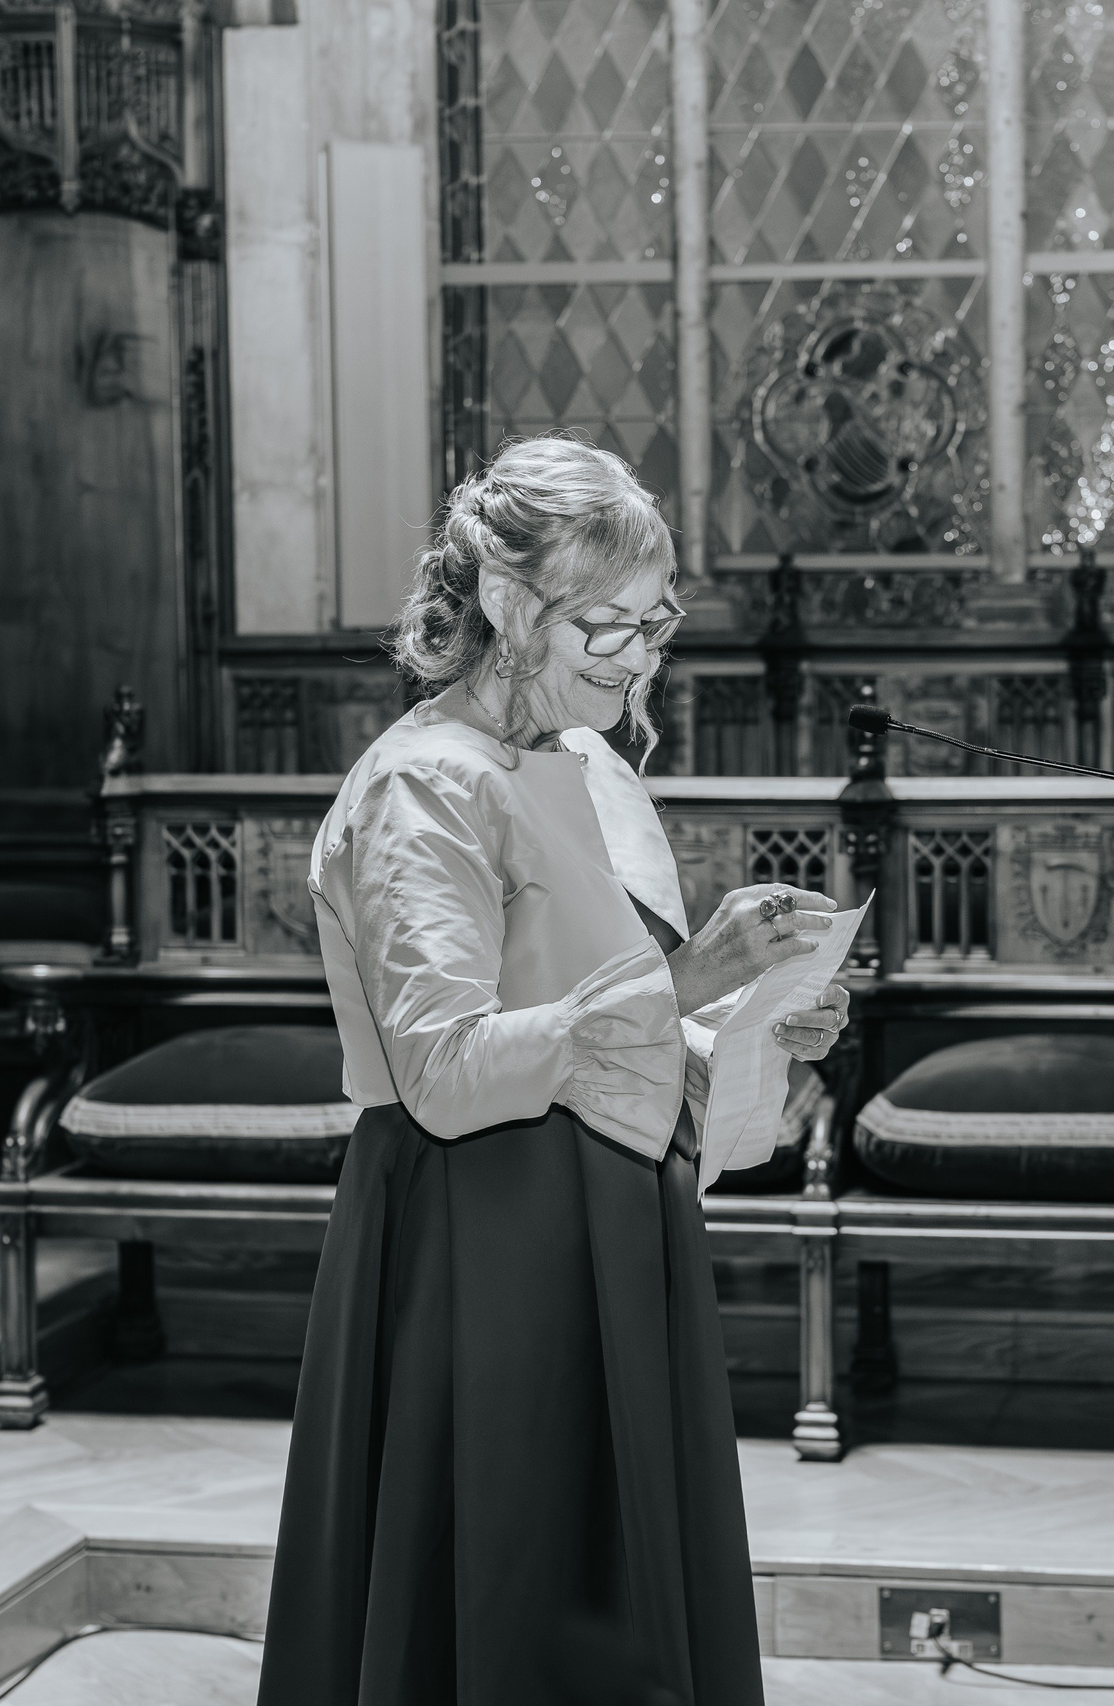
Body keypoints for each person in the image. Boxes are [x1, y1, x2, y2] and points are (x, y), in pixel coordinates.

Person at [255, 436, 850, 1706]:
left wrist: (752, 1037)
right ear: (513, 606)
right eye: (608, 622)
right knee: (504, 1595)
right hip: (480, 1240)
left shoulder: (590, 768)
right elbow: (450, 1071)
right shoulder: (425, 785)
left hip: (613, 1221)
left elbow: (605, 1031)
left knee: (620, 1598)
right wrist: (685, 985)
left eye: (654, 622)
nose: (639, 654)